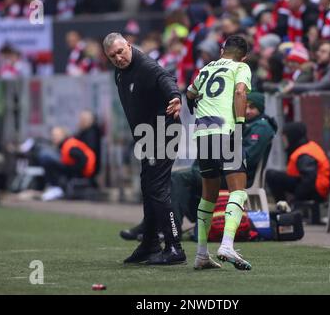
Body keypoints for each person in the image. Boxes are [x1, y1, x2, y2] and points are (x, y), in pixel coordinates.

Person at [120, 91, 278, 241]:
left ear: (261, 109)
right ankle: (151, 226)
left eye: (253, 107)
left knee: (179, 177)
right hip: (218, 171)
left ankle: (170, 229)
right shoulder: (236, 122)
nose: (248, 110)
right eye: (246, 105)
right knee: (167, 178)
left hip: (235, 176)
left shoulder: (261, 127)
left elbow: (246, 158)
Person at [103, 32, 186, 265]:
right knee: (148, 188)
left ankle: (174, 247)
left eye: (121, 51)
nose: (118, 57)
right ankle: (150, 244)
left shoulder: (145, 65)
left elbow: (166, 78)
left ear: (129, 45)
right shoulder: (120, 72)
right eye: (113, 56)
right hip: (148, 137)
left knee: (157, 189)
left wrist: (175, 97)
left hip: (164, 131)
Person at [186, 35, 252, 271]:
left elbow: (190, 94)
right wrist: (241, 124)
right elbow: (240, 92)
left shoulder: (204, 69)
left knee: (208, 196)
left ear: (222, 49)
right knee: (238, 191)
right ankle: (226, 244)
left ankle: (202, 254)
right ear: (244, 56)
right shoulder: (240, 67)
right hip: (226, 131)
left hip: (203, 133)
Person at [265, 122, 330, 212]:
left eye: (285, 138)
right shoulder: (307, 147)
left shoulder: (304, 154)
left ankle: (284, 209)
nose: (284, 141)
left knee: (272, 176)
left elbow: (309, 179)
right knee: (275, 176)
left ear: (292, 137)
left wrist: (295, 201)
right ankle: (284, 207)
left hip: (316, 191)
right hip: (316, 188)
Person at [40, 126, 97, 201]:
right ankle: (54, 187)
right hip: (75, 169)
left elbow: (83, 160)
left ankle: (55, 188)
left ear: (63, 135)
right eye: (53, 135)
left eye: (57, 135)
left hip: (83, 172)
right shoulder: (64, 145)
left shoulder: (69, 145)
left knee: (46, 157)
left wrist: (72, 170)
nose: (54, 138)